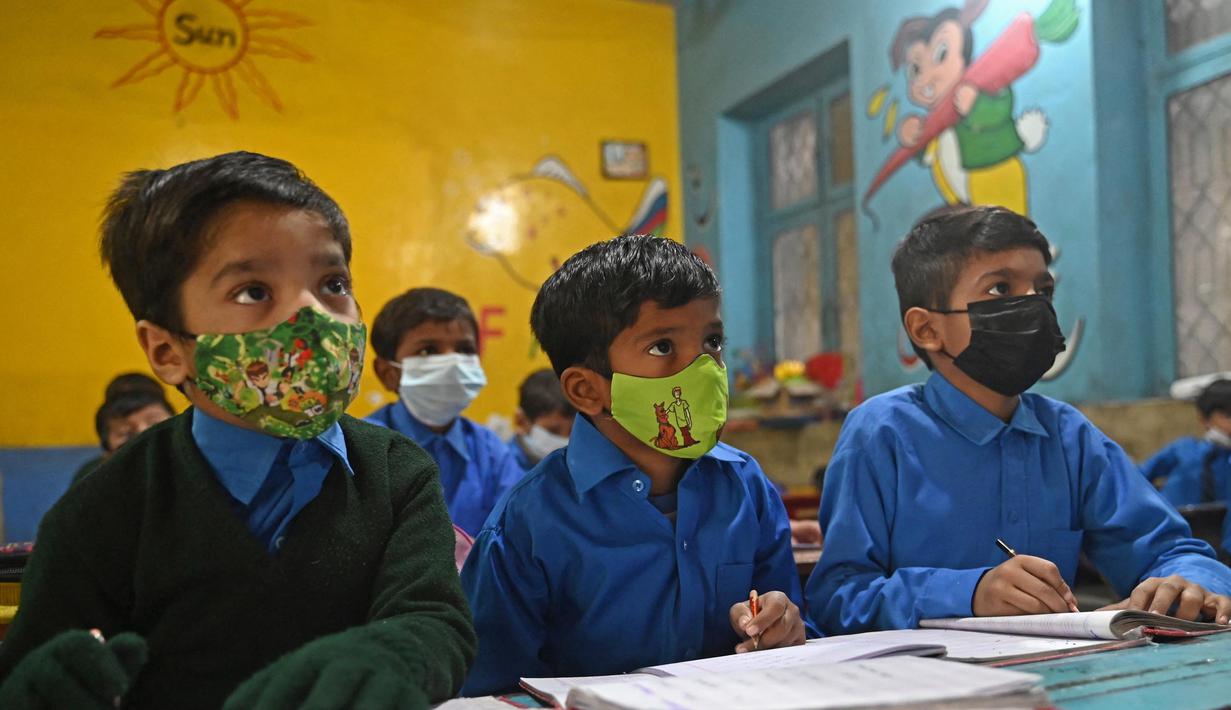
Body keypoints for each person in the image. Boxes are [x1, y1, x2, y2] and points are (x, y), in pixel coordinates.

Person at [0, 151, 474, 709]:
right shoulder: (105, 508)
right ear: (167, 351)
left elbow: (436, 618)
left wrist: (395, 655)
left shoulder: (397, 472)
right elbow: (33, 668)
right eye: (253, 291)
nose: (312, 316)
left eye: (332, 283)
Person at [807, 205, 1231, 635]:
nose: (1032, 305)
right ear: (927, 330)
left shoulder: (1068, 436)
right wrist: (968, 593)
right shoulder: (881, 433)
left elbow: (1170, 550)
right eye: (999, 289)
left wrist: (1193, 583)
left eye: (1043, 290)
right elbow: (838, 597)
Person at [461, 235, 807, 695]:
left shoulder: (745, 486)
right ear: (587, 390)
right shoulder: (529, 523)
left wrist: (782, 626)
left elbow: (797, 644)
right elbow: (490, 690)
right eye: (663, 347)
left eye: (712, 341)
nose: (704, 367)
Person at [365, 288, 524, 536]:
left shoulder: (491, 453)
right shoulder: (361, 450)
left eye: (465, 349)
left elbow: (514, 534)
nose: (453, 363)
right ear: (389, 373)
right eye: (428, 350)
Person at [1141, 379, 1231, 507]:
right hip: (1177, 521)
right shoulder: (1184, 449)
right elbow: (1138, 476)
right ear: (1204, 419)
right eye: (1227, 416)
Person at [70, 390, 175, 486]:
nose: (144, 436)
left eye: (155, 424)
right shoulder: (94, 484)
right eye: (126, 433)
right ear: (107, 454)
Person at [507, 368, 576, 471]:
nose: (565, 441)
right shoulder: (500, 471)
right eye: (553, 431)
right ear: (521, 421)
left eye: (573, 431)